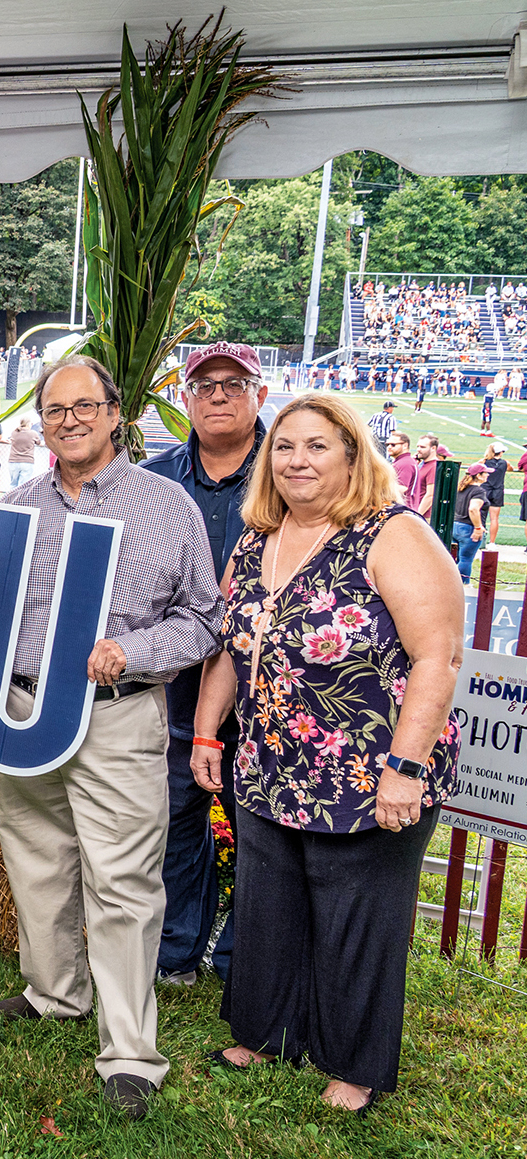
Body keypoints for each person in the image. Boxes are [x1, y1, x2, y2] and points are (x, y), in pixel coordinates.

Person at [0, 357, 224, 1119]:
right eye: (54, 409)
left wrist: (131, 652)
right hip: (20, 713)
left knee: (123, 883)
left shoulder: (166, 506)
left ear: (113, 414)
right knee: (35, 860)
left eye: (83, 406)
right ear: (41, 420)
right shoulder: (17, 505)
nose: (68, 420)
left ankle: (130, 1052)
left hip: (114, 712)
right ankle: (54, 993)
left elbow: (203, 619)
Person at [191, 392, 461, 1115]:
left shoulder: (391, 534)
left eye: (316, 446)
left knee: (357, 920)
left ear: (350, 454)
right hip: (269, 768)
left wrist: (404, 768)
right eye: (284, 446)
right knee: (268, 907)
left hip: (369, 772)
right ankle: (263, 1032)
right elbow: (230, 646)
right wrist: (206, 732)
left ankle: (353, 1065)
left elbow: (437, 657)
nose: (296, 460)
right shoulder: (258, 537)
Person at [141, 340, 267, 985]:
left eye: (234, 384)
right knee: (177, 812)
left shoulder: (292, 469)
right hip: (179, 674)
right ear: (185, 399)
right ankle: (177, 951)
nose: (219, 394)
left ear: (259, 396)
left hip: (274, 680)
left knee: (262, 824)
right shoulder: (157, 478)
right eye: (206, 384)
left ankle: (243, 957)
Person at [454, 462, 492, 584]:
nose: (487, 475)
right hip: (468, 529)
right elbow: (473, 509)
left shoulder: (460, 489)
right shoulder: (478, 491)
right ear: (479, 476)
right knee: (466, 560)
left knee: (456, 559)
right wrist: (478, 527)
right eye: (485, 473)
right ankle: (462, 585)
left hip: (455, 526)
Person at [482, 442, 508, 542]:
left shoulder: (484, 462)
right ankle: (492, 542)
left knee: (481, 516)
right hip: (497, 491)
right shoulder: (505, 463)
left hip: (485, 490)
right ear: (500, 453)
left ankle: (480, 540)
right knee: (494, 519)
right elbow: (509, 468)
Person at [385, 431, 419, 507]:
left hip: (404, 509)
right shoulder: (404, 461)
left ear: (405, 446)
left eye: (393, 445)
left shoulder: (405, 463)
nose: (389, 447)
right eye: (387, 444)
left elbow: (402, 488)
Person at [5, 415, 40, 488]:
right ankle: (20, 499)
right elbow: (39, 442)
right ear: (29, 424)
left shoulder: (14, 432)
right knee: (23, 485)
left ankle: (10, 498)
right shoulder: (33, 433)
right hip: (27, 461)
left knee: (13, 484)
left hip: (13, 461)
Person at [412, 434, 439, 521]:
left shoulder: (434, 466)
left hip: (424, 516)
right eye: (418, 446)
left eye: (422, 447)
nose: (418, 450)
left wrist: (417, 515)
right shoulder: (422, 464)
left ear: (433, 448)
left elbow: (430, 495)